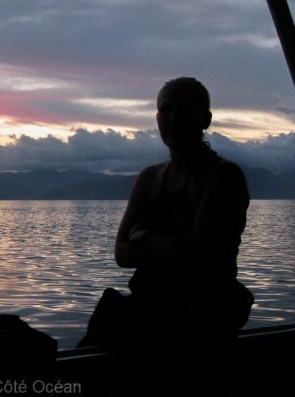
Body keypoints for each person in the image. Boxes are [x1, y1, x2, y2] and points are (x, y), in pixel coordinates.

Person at [86, 78, 254, 394]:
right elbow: (121, 253)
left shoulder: (223, 177)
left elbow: (201, 256)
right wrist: (174, 245)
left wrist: (145, 240)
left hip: (202, 321)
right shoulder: (149, 178)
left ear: (205, 118)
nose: (174, 118)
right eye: (166, 109)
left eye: (185, 109)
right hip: (146, 310)